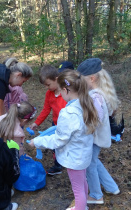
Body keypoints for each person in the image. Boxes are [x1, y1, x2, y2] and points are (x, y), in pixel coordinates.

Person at [28, 70, 99, 210]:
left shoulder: (68, 113)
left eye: (60, 91)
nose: (60, 94)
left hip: (74, 157)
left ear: (66, 90)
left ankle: (80, 208)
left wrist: (37, 142)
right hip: (83, 154)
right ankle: (82, 206)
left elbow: (59, 140)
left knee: (77, 189)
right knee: (82, 182)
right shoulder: (87, 104)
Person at [77, 58, 120, 205]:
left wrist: (82, 131)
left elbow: (95, 121)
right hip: (98, 137)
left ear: (92, 78)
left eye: (81, 79)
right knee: (94, 162)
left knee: (90, 165)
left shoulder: (94, 96)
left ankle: (96, 195)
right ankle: (111, 187)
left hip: (93, 137)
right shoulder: (100, 92)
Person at [29, 63, 73, 175]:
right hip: (56, 124)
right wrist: (36, 123)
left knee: (69, 144)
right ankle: (58, 165)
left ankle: (71, 163)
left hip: (68, 125)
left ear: (57, 79)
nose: (46, 88)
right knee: (56, 144)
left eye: (48, 84)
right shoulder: (49, 94)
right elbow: (46, 110)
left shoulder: (67, 93)